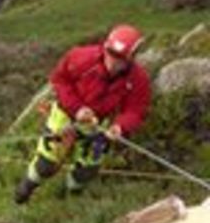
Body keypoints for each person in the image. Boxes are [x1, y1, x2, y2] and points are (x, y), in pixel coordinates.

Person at [14, 24, 151, 204]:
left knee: (86, 170)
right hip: (65, 114)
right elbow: (60, 80)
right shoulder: (81, 57)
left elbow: (135, 109)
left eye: (120, 58)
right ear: (105, 47)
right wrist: (77, 108)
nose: (113, 61)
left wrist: (120, 126)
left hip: (98, 123)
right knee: (46, 163)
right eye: (110, 53)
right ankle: (26, 188)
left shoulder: (137, 80)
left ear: (132, 57)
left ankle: (71, 197)